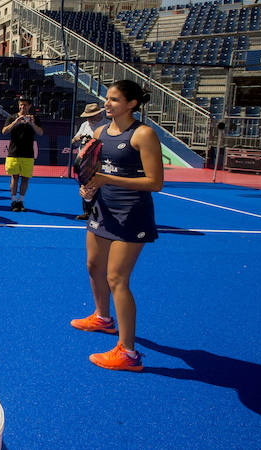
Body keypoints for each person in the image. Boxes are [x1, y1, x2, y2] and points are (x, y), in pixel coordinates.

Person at [73, 80, 163, 372]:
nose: (107, 104)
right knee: (93, 265)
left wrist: (107, 180)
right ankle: (102, 317)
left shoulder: (143, 135)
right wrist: (89, 188)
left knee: (117, 279)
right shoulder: (100, 132)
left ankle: (128, 353)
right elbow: (94, 171)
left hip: (131, 214)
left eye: (113, 99)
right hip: (103, 208)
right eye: (107, 99)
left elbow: (155, 183)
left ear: (131, 104)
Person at [1, 96, 43, 212]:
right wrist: (16, 122)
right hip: (14, 153)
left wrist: (32, 124)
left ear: (29, 106)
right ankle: (13, 201)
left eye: (24, 105)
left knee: (25, 179)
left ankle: (21, 201)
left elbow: (40, 133)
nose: (22, 107)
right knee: (14, 177)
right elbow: (4, 131)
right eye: (20, 104)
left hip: (28, 154)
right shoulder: (12, 117)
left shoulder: (34, 118)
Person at [72, 102, 110, 220]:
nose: (90, 118)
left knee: (98, 187)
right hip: (84, 163)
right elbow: (73, 141)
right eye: (88, 116)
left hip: (99, 162)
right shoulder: (84, 125)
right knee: (84, 187)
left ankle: (99, 212)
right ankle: (87, 212)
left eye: (92, 115)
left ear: (99, 114)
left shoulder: (107, 125)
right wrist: (79, 138)